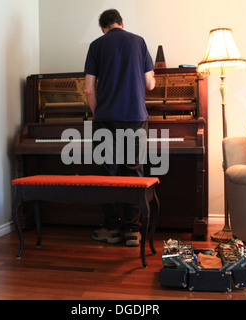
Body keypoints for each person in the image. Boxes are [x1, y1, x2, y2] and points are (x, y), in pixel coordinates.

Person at [84, 9, 156, 247]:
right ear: (121, 23)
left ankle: (111, 229)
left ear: (102, 28)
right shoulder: (139, 41)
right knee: (133, 171)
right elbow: (149, 84)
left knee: (107, 173)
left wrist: (99, 115)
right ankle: (134, 232)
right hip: (135, 118)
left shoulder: (96, 45)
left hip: (106, 119)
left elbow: (88, 90)